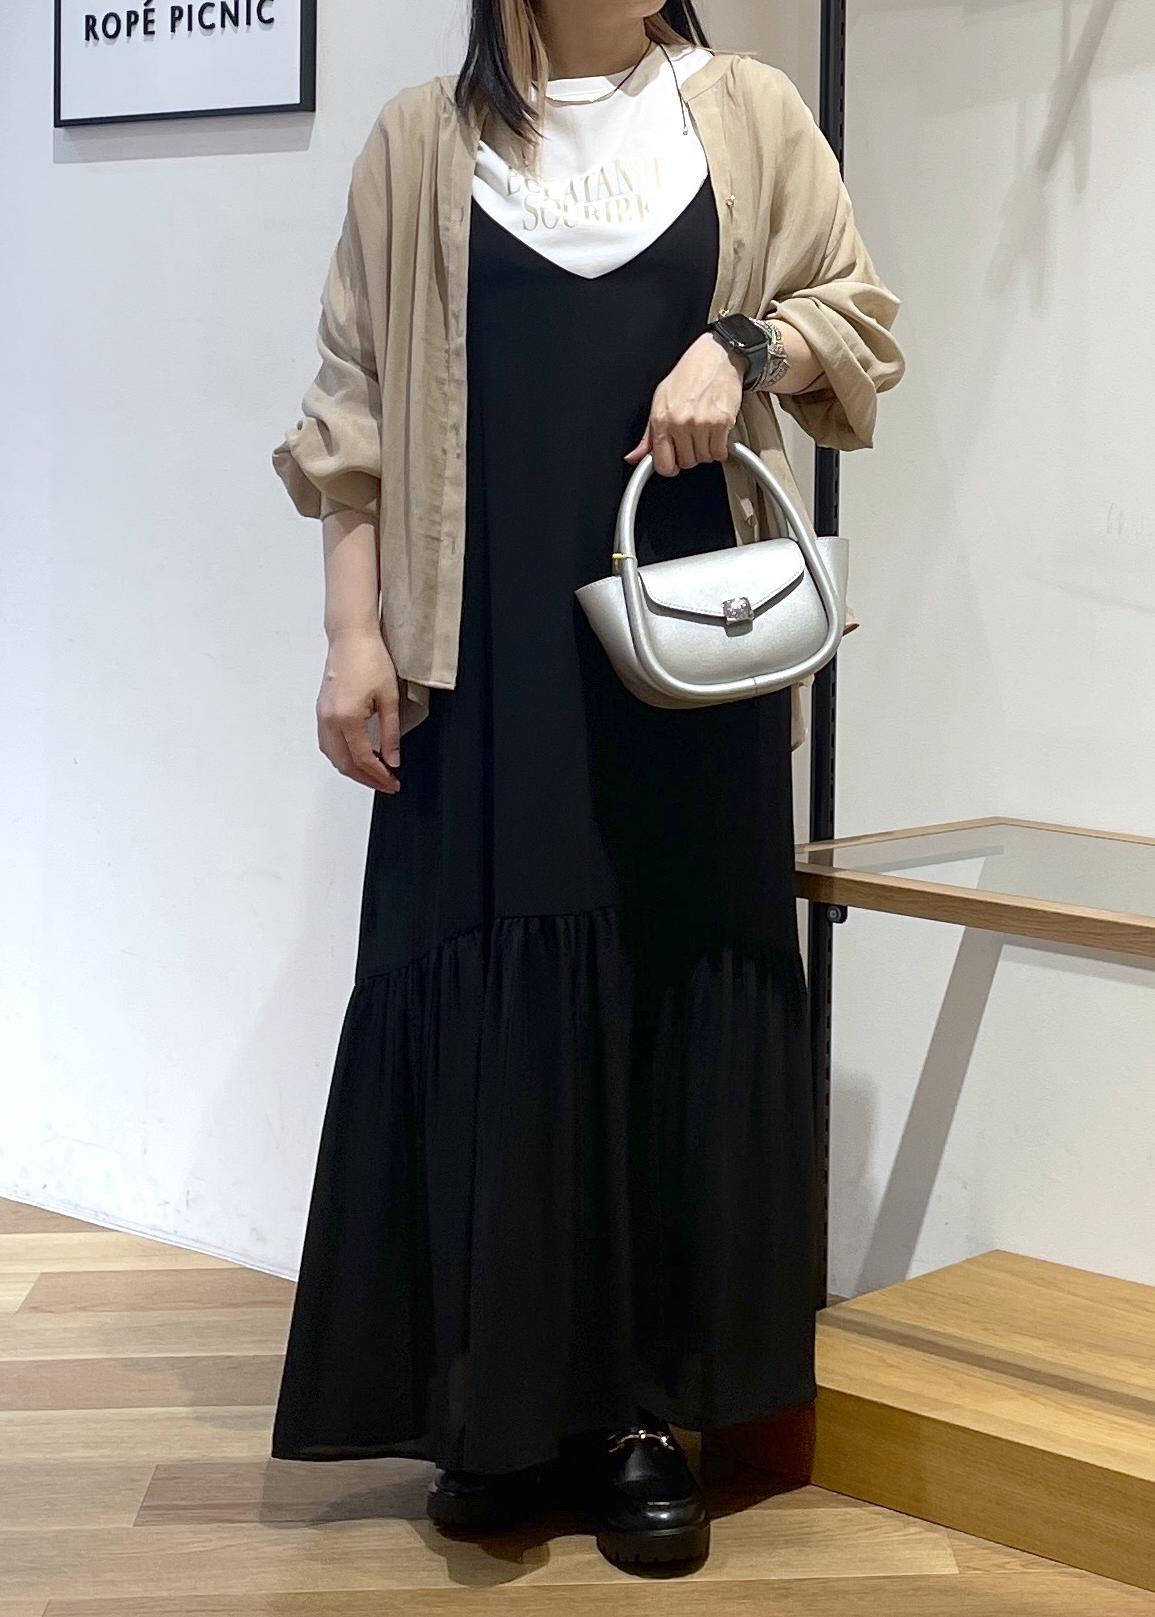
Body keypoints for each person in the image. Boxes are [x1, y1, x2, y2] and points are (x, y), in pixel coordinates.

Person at [268, 0, 905, 1572]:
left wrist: (742, 346)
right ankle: (500, 1404)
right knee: (492, 975)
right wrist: (351, 635)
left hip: (684, 655)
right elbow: (352, 407)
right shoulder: (420, 142)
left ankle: (643, 1411)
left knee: (668, 978)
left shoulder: (745, 112)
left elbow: (859, 316)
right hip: (480, 653)